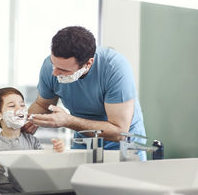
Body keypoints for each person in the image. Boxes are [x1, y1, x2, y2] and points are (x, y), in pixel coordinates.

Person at [23, 26, 147, 160]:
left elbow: (119, 132)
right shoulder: (50, 66)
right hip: (85, 140)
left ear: (88, 63)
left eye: (63, 70)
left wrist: (68, 121)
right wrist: (26, 120)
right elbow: (43, 104)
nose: (54, 73)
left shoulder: (114, 68)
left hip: (123, 145)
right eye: (53, 64)